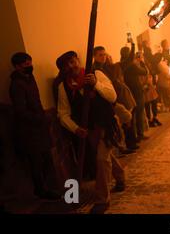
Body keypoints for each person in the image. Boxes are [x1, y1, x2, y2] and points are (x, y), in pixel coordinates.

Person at [56, 51, 125, 214]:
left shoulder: (96, 74)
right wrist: (75, 128)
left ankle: (102, 199)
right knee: (105, 157)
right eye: (68, 64)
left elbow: (112, 96)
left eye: (74, 61)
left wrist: (96, 85)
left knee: (101, 159)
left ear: (78, 60)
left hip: (106, 124)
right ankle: (120, 177)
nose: (72, 66)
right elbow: (63, 113)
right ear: (64, 69)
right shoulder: (64, 87)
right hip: (89, 129)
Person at [9, 52, 60, 201]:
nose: (30, 66)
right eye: (26, 64)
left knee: (46, 159)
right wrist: (39, 118)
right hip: (29, 130)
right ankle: (41, 190)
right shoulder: (16, 84)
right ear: (17, 67)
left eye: (30, 63)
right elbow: (20, 110)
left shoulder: (29, 78)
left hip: (39, 126)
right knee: (36, 162)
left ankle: (49, 187)